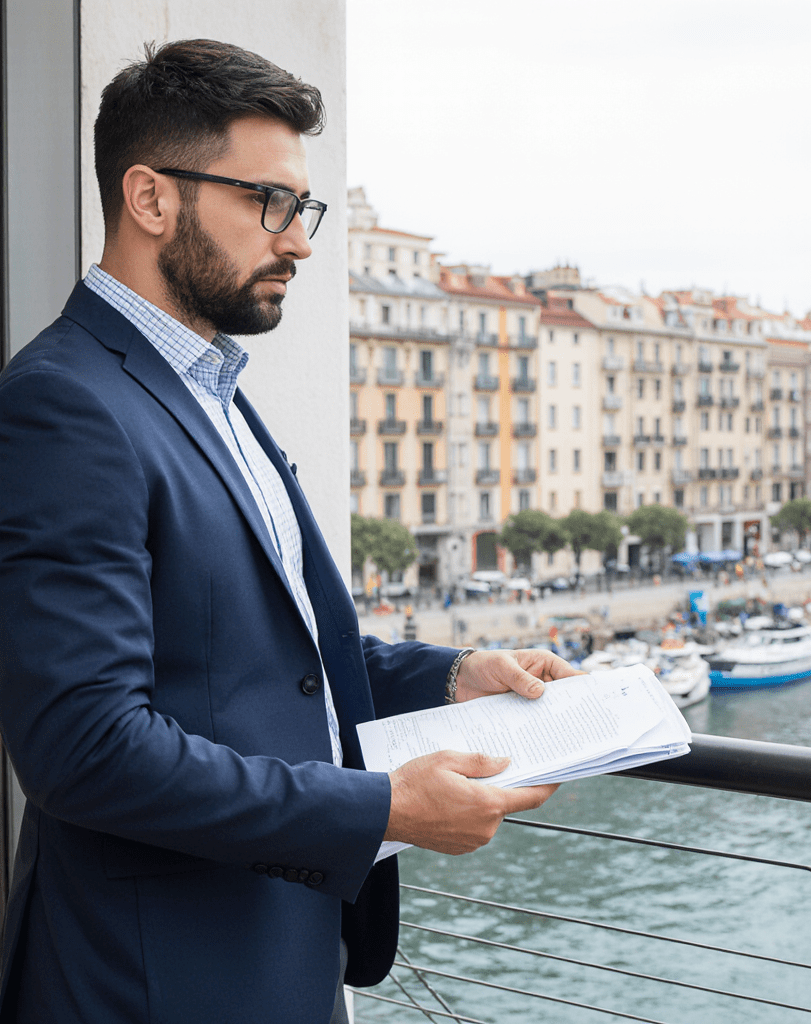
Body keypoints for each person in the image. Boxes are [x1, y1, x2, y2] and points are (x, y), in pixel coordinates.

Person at [0, 39, 570, 1024]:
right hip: (154, 983)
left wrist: (450, 673)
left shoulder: (211, 387)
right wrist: (382, 808)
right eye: (268, 203)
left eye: (299, 208)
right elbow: (82, 746)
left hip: (271, 959)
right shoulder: (65, 404)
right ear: (150, 198)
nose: (299, 240)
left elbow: (267, 656)